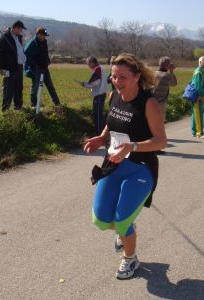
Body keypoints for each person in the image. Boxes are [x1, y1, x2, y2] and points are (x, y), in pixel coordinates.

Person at [84, 53, 167, 279]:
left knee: (121, 221)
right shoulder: (114, 96)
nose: (116, 81)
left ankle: (130, 259)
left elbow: (161, 141)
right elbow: (112, 125)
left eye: (122, 77)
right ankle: (127, 230)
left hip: (141, 168)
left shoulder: (148, 103)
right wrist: (101, 138)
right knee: (100, 220)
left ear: (136, 76)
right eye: (113, 76)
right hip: (113, 163)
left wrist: (132, 147)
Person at [24, 27, 61, 108]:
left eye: (45, 35)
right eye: (43, 35)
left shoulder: (44, 42)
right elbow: (25, 56)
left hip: (45, 68)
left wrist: (47, 60)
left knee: (50, 86)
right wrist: (34, 65)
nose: (44, 37)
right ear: (38, 34)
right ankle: (34, 105)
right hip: (36, 69)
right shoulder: (32, 43)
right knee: (35, 88)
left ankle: (57, 104)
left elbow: (45, 53)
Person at [0, 20, 27, 111]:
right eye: (21, 29)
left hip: (19, 66)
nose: (21, 31)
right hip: (9, 67)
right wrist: (0, 68)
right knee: (8, 89)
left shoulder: (19, 37)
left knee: (19, 87)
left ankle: (18, 107)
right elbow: (0, 54)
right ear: (16, 28)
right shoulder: (5, 37)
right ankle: (5, 109)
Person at [153, 56, 177, 154]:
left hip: (151, 101)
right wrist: (171, 71)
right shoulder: (167, 76)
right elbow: (174, 83)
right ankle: (156, 148)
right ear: (167, 65)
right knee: (159, 126)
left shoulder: (153, 73)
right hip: (161, 103)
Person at [79, 56, 108, 135]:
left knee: (98, 115)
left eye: (88, 63)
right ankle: (99, 131)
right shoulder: (101, 68)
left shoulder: (97, 69)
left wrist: (85, 84)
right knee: (97, 113)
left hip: (99, 94)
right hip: (99, 94)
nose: (88, 65)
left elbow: (96, 82)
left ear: (92, 62)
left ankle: (99, 133)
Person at [190, 56, 204, 139]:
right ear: (200, 62)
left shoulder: (202, 70)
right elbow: (197, 86)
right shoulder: (199, 72)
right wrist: (201, 96)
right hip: (198, 97)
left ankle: (194, 131)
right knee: (198, 115)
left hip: (199, 96)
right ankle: (199, 133)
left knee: (196, 114)